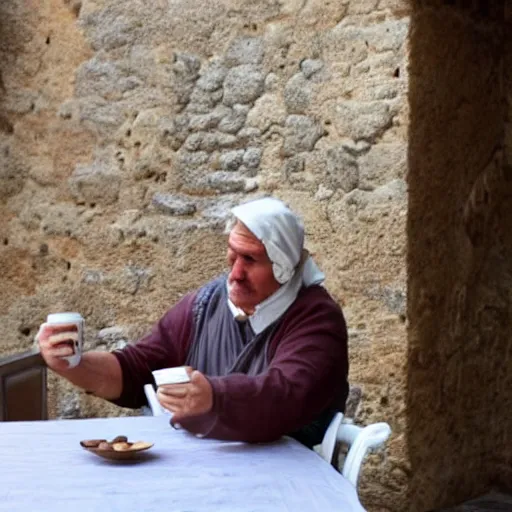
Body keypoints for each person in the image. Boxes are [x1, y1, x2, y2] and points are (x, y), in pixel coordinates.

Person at [37, 197, 349, 447]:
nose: (235, 274)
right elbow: (138, 369)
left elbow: (286, 395)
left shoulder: (316, 318)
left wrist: (214, 397)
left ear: (282, 266)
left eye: (250, 260)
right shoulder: (207, 302)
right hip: (210, 468)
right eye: (233, 257)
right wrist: (73, 364)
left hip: (289, 482)